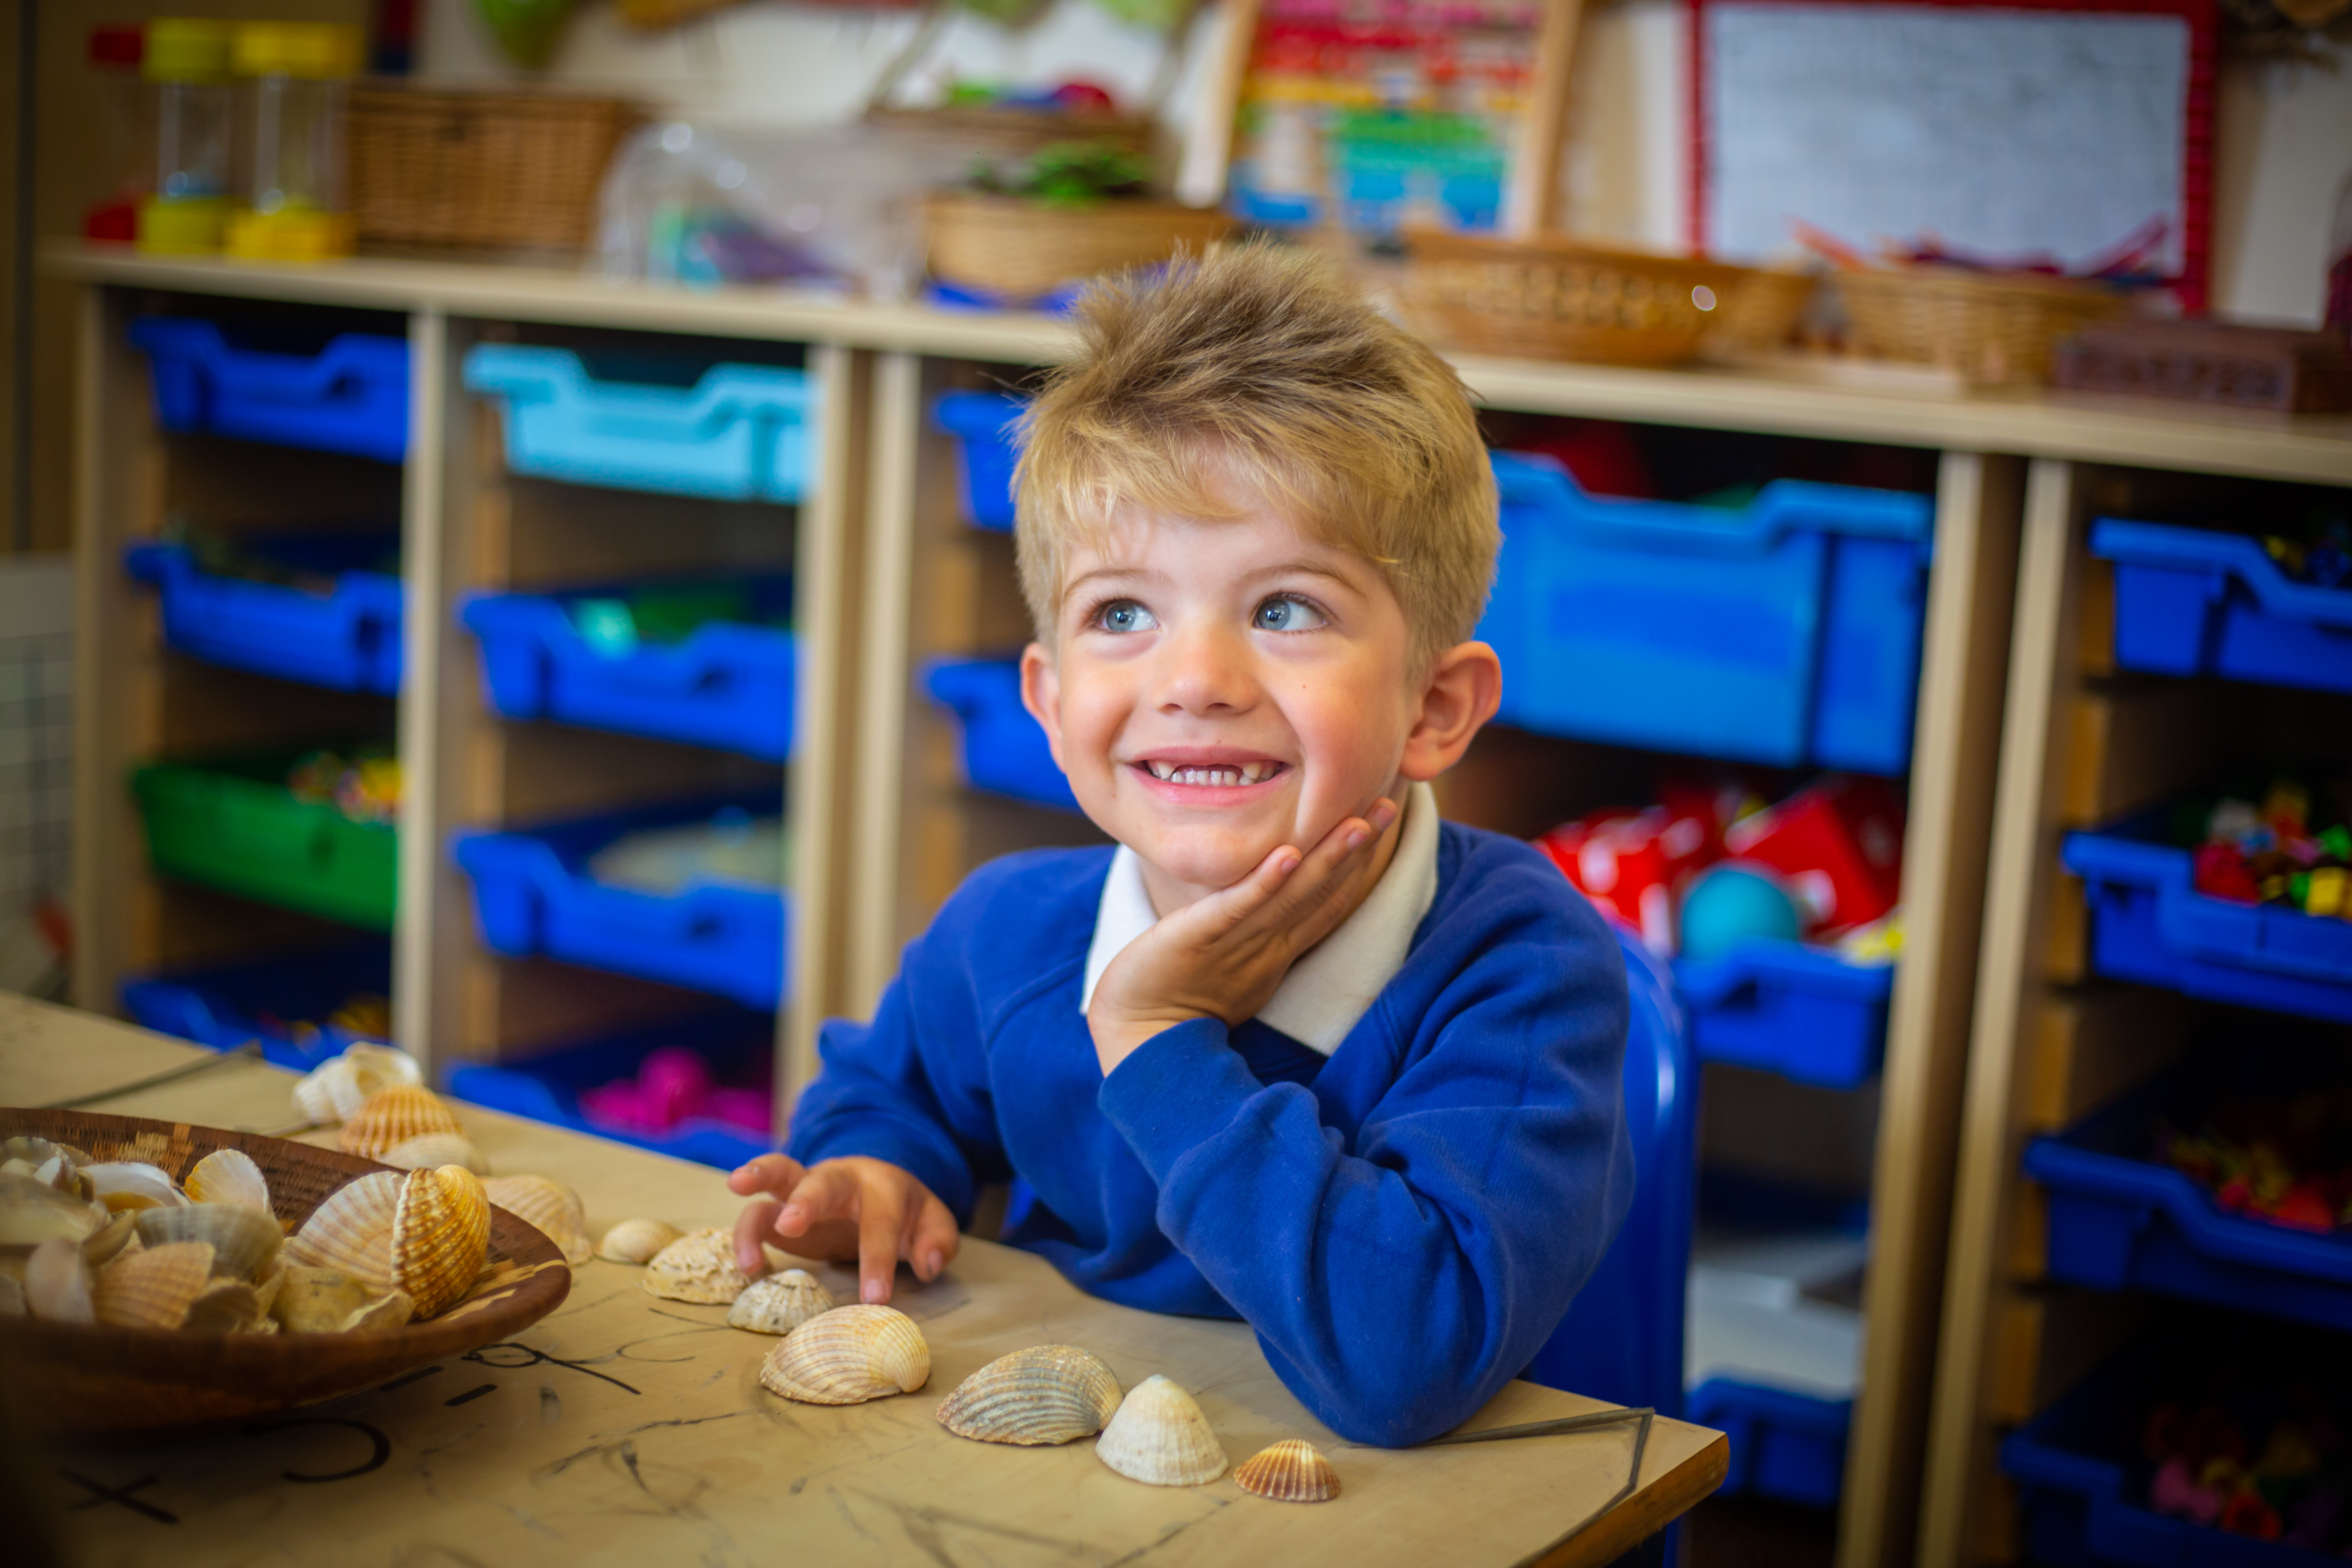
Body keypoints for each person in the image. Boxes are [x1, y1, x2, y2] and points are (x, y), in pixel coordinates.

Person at [730, 243, 1632, 1447]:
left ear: (1433, 709)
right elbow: (891, 1095)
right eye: (1123, 612)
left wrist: (1159, 1038)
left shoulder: (1521, 969)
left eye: (1284, 608)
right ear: (1050, 702)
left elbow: (1406, 1358)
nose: (1195, 679)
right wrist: (878, 1173)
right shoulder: (1006, 932)